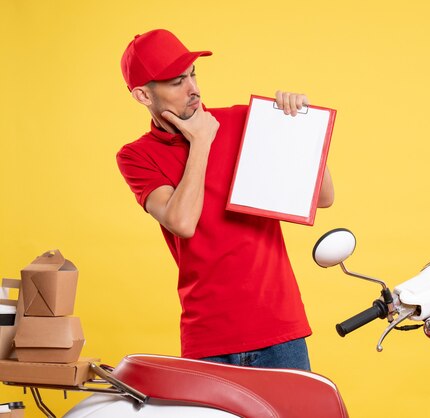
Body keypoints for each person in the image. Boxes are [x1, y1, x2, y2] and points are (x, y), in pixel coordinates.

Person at [116, 29, 334, 371]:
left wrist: (298, 132)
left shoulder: (244, 121)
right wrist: (201, 140)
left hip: (278, 329)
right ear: (143, 95)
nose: (194, 90)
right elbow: (182, 222)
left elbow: (323, 197)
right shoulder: (137, 156)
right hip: (208, 338)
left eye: (193, 75)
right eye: (176, 82)